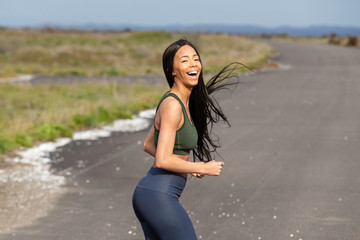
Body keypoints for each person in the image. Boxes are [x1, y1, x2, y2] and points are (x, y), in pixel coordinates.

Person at [132, 38, 244, 240]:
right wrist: (199, 167)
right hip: (159, 196)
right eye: (184, 60)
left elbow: (149, 145)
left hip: (151, 194)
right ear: (172, 70)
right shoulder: (173, 105)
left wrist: (186, 166)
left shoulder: (179, 102)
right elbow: (162, 160)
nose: (193, 64)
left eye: (195, 59)